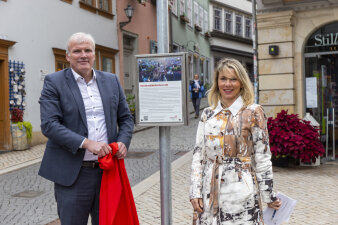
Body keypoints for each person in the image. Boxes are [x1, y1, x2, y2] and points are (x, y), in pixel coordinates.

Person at [38, 32, 134, 225]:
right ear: (68, 56)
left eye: (87, 50)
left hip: (107, 172)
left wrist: (123, 142)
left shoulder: (111, 81)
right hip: (73, 174)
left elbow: (125, 118)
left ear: (94, 54)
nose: (83, 55)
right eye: (77, 51)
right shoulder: (54, 82)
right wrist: (86, 143)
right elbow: (49, 125)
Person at [190, 58, 281, 224]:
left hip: (241, 193)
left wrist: (268, 194)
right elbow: (198, 155)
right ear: (217, 82)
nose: (227, 84)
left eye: (233, 79)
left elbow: (262, 157)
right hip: (209, 191)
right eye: (223, 79)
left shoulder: (253, 112)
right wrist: (195, 191)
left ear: (241, 82)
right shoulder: (207, 114)